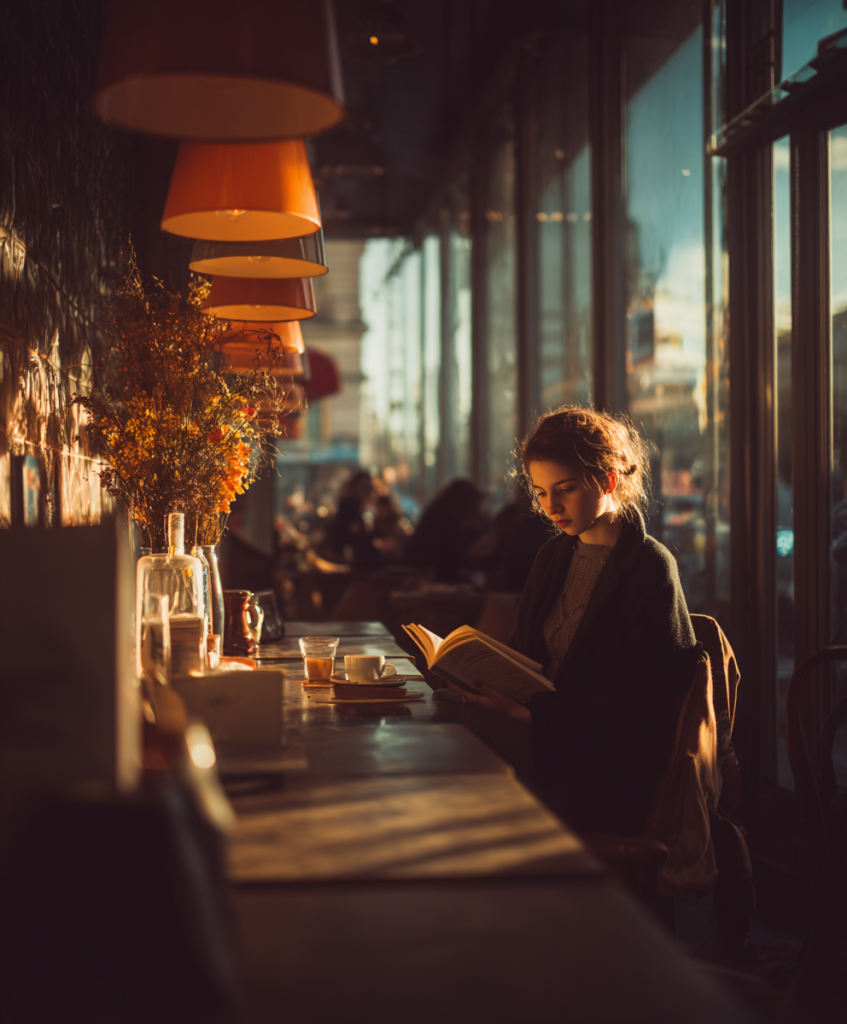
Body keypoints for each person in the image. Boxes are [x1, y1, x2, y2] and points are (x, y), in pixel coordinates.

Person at [450, 406, 701, 836]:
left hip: (601, 766)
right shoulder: (553, 556)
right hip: (546, 739)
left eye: (565, 489)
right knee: (444, 714)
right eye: (541, 492)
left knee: (448, 736)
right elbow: (523, 658)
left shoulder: (649, 567)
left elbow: (648, 706)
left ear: (607, 481)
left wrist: (530, 716)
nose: (552, 507)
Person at [405, 478, 488, 582]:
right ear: (466, 503)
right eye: (475, 506)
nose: (477, 511)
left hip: (424, 578)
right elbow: (446, 561)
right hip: (426, 581)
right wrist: (471, 553)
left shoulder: (440, 515)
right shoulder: (443, 520)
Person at [327, 470, 380, 567]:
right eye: (364, 487)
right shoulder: (350, 506)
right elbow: (354, 532)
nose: (366, 490)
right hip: (352, 558)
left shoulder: (355, 505)